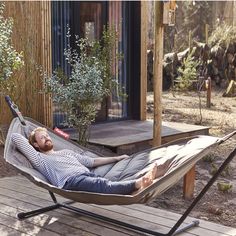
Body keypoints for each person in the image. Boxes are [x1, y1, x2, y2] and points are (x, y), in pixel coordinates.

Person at [11, 127, 159, 195]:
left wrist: (117, 158)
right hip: (70, 181)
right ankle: (140, 183)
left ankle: (137, 184)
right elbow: (16, 138)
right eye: (42, 138)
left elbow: (91, 162)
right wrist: (28, 129)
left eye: (47, 135)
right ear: (36, 145)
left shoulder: (66, 152)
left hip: (87, 175)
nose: (47, 138)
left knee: (106, 183)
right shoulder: (39, 159)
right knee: (104, 185)